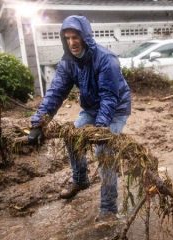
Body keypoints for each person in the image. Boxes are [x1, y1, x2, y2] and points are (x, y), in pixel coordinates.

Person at [28, 15, 131, 222]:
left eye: (75, 37)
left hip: (116, 109)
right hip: (91, 108)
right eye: (67, 38)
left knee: (105, 152)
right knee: (72, 136)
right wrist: (38, 122)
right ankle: (81, 179)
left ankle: (108, 208)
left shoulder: (105, 59)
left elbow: (109, 98)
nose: (72, 43)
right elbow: (56, 92)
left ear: (85, 37)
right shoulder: (68, 62)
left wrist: (101, 128)